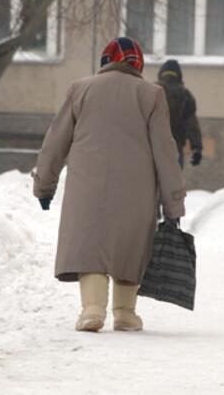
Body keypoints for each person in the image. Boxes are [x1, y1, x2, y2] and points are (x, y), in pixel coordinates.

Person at [32, 37, 186, 332]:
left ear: (105, 61)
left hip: (86, 187)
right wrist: (173, 203)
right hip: (136, 191)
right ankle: (125, 312)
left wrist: (44, 186)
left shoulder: (80, 89)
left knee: (92, 243)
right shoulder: (151, 94)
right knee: (130, 245)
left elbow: (54, 144)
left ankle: (92, 309)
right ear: (137, 63)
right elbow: (166, 153)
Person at [156, 59, 203, 168]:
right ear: (179, 75)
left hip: (152, 149)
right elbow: (191, 124)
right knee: (173, 182)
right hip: (175, 150)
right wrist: (197, 148)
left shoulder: (151, 91)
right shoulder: (185, 95)